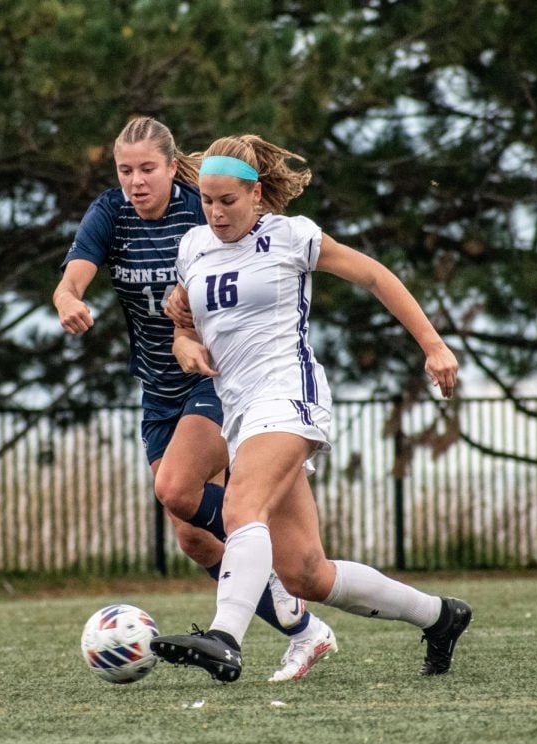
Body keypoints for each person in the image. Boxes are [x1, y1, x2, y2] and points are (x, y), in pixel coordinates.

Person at [150, 134, 472, 683]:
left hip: (289, 392)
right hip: (240, 409)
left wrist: (434, 344)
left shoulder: (292, 236)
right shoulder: (193, 247)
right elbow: (183, 318)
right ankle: (440, 617)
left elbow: (374, 274)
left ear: (257, 196)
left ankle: (225, 638)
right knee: (305, 574)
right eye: (207, 199)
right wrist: (183, 340)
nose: (216, 211)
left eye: (228, 200)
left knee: (240, 505)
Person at [52, 117, 338, 681]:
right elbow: (72, 279)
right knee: (192, 536)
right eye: (125, 170)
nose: (136, 181)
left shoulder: (202, 211)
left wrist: (193, 335)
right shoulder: (111, 214)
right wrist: (67, 299)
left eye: (147, 169)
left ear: (170, 165)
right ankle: (305, 629)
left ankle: (262, 569)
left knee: (177, 488)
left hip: (214, 380)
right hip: (158, 389)